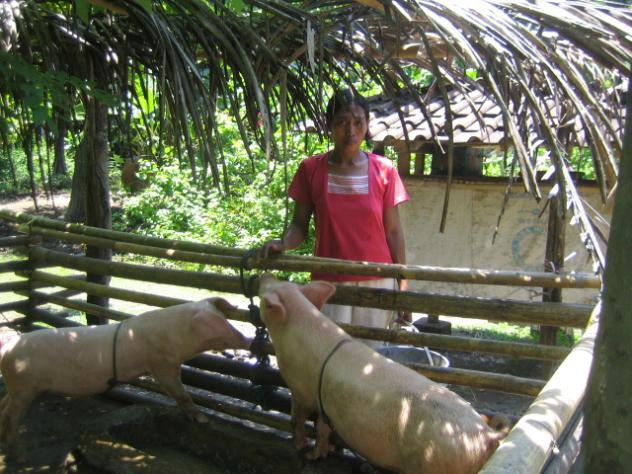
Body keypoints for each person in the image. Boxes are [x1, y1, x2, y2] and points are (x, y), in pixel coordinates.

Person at [258, 89, 410, 339]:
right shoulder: (311, 169)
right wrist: (282, 243)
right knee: (330, 353)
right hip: (328, 281)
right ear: (329, 124)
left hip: (378, 281)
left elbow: (393, 233)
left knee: (372, 354)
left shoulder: (384, 170)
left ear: (367, 124)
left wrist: (403, 286)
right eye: (342, 122)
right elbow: (299, 227)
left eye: (358, 122)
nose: (351, 131)